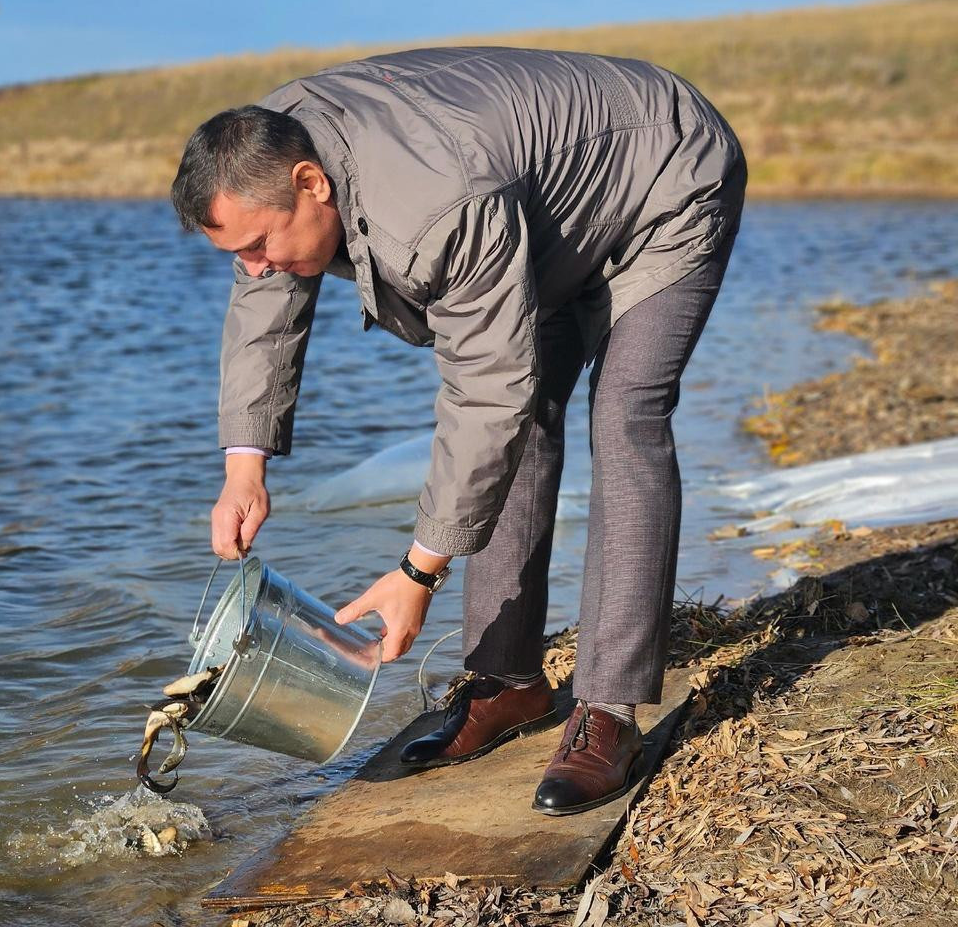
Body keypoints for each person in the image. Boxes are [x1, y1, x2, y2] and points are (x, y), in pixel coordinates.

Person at [170, 46, 745, 815]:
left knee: (626, 415)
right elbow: (262, 314)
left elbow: (483, 394)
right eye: (236, 252)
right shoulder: (265, 152)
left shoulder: (436, 205)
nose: (255, 265)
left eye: (257, 245)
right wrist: (245, 469)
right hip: (541, 211)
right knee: (531, 417)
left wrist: (417, 574)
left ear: (311, 185)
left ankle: (608, 712)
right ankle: (508, 683)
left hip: (664, 178)